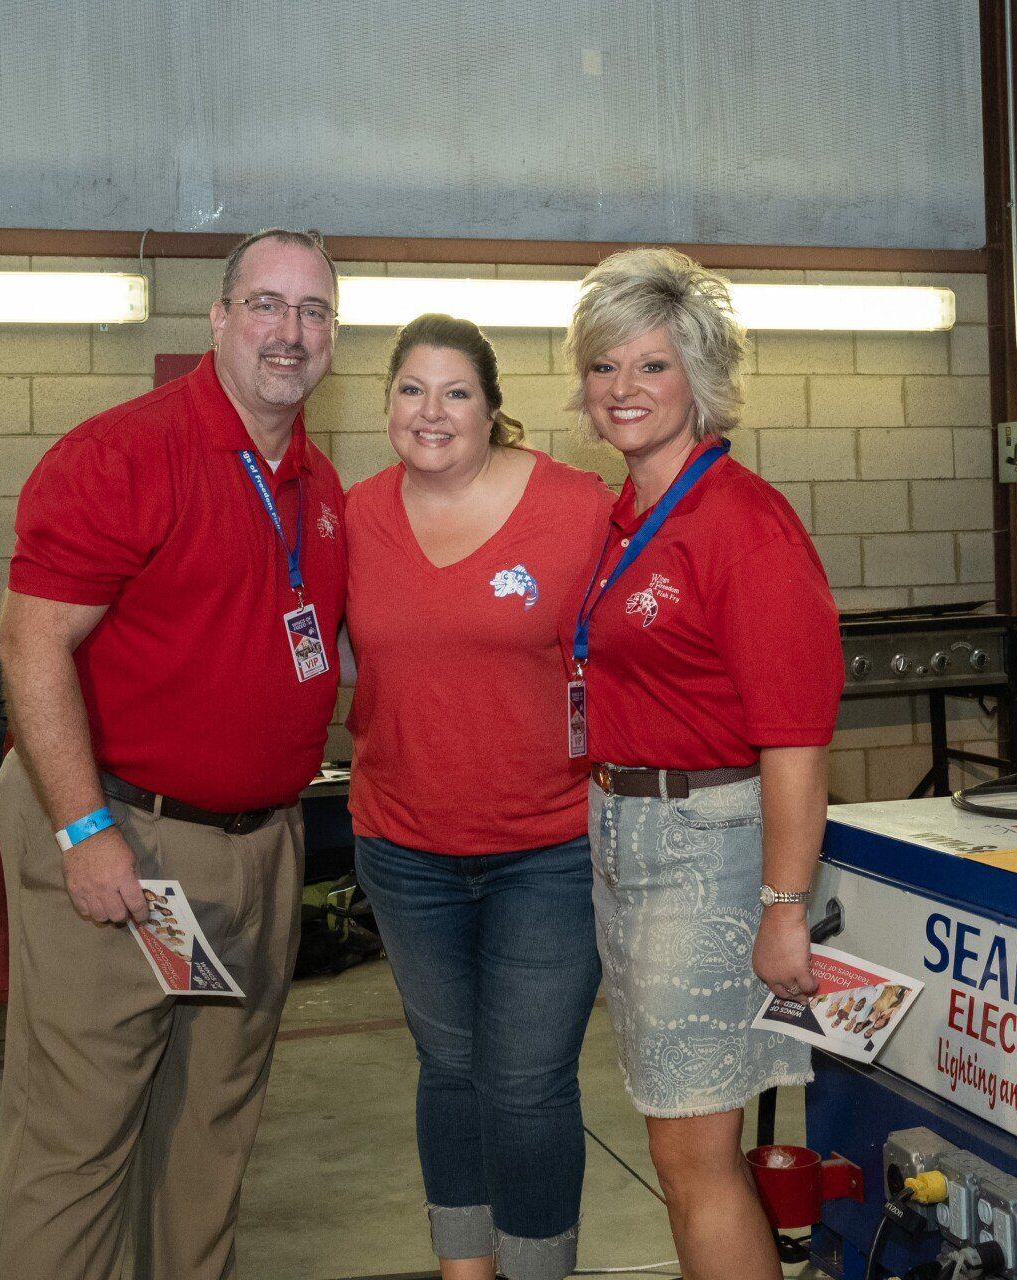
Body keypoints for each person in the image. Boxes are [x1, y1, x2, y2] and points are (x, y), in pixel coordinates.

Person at [0, 227, 347, 1280]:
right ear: (220, 317)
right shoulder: (126, 453)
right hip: (127, 840)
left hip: (256, 851)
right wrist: (86, 826)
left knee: (209, 1132)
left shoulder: (317, 485)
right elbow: (30, 639)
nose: (290, 332)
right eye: (267, 305)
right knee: (79, 1133)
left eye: (314, 311)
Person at [560, 248, 845, 1280]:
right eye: (604, 368)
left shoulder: (743, 524)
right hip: (628, 832)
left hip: (710, 846)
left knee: (694, 1149)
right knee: (675, 1138)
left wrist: (783, 901)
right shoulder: (622, 517)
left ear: (700, 381)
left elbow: (796, 736)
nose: (623, 390)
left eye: (650, 367)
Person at [343, 313, 615, 1280]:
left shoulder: (580, 507)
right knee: (450, 1071)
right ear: (386, 407)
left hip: (548, 847)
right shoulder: (353, 516)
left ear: (495, 411)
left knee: (528, 1083)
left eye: (456, 391)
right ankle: (465, 1268)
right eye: (411, 389)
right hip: (403, 846)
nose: (432, 411)